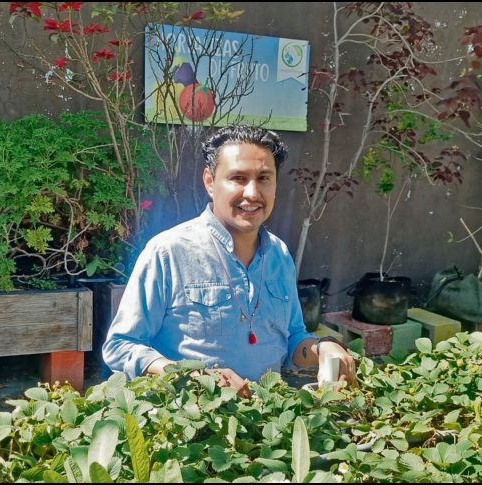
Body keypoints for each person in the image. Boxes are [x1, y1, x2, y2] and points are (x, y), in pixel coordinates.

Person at [102, 125, 355, 394]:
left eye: (264, 178)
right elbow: (121, 345)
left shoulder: (279, 256)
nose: (252, 193)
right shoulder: (169, 252)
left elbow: (293, 337)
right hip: (186, 423)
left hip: (264, 421)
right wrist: (196, 376)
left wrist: (322, 347)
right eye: (238, 178)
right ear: (210, 182)